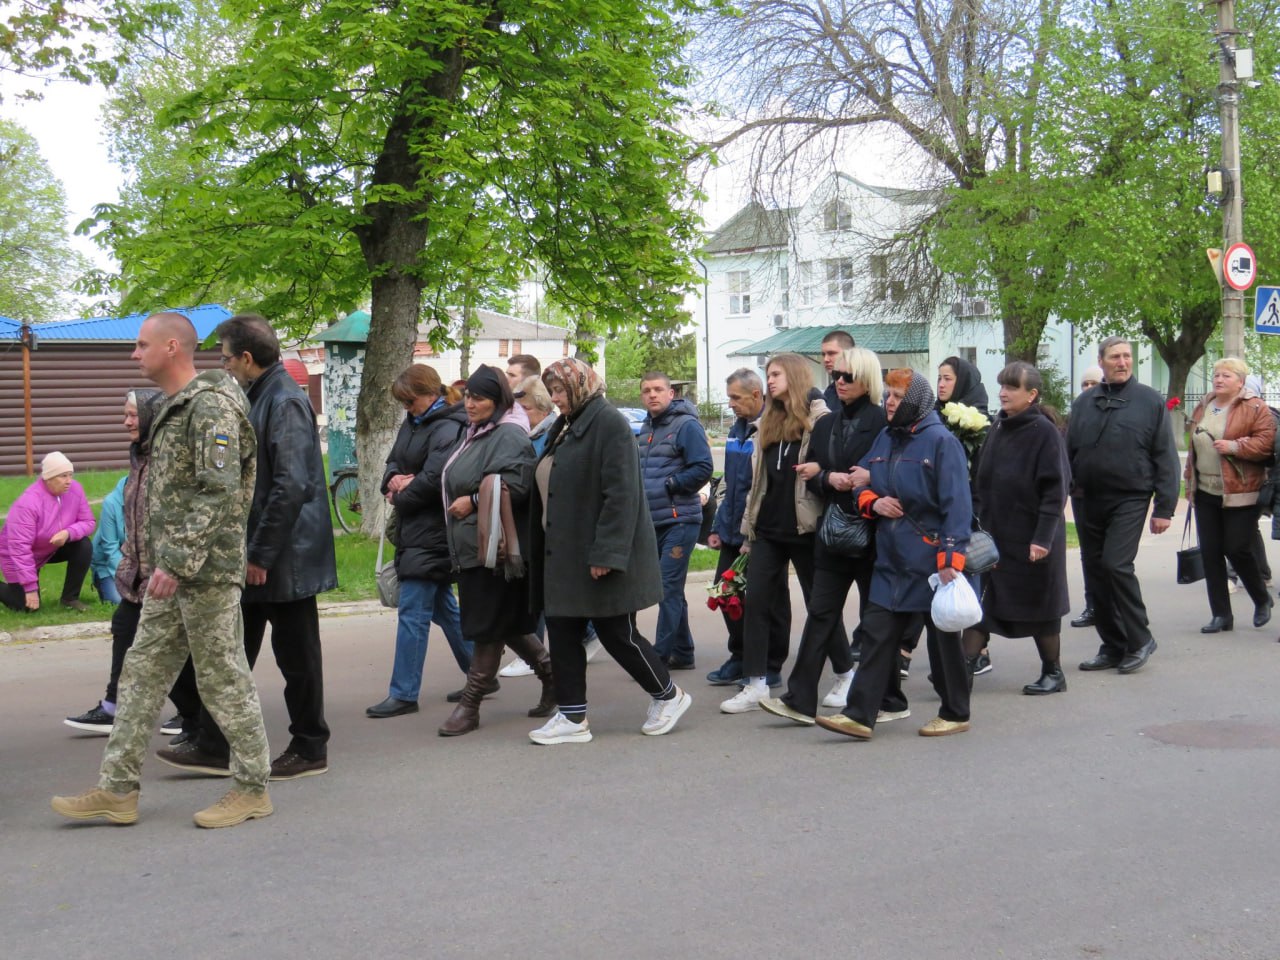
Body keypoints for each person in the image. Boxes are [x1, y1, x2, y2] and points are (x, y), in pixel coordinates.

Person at [52, 311, 273, 828]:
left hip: (205, 572)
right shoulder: (176, 408)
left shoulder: (212, 407)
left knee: (223, 679)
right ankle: (117, 790)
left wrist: (175, 561)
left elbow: (217, 492)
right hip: (169, 572)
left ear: (172, 347)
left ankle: (252, 787)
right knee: (140, 676)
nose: (134, 354)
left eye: (141, 344)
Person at [157, 315, 338, 781]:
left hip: (284, 559)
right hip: (260, 553)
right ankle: (216, 744)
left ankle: (310, 747)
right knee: (230, 653)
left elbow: (291, 485)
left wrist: (260, 553)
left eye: (225, 357)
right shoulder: (257, 395)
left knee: (297, 659)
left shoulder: (284, 401)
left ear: (247, 359)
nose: (222, 365)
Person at [526, 358, 691, 743]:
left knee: (617, 632)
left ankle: (669, 695)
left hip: (598, 554)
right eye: (551, 391)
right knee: (563, 630)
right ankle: (572, 717)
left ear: (581, 385)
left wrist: (608, 554)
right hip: (564, 552)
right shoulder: (567, 426)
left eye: (561, 390)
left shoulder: (608, 424)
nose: (555, 398)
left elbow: (621, 496)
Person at [815, 369, 974, 740]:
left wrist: (951, 557)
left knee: (943, 639)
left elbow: (957, 504)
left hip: (930, 559)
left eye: (898, 397)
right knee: (876, 634)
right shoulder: (887, 438)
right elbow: (858, 482)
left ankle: (955, 711)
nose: (888, 402)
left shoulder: (940, 442)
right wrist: (873, 501)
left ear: (916, 402)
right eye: (887, 395)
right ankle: (859, 714)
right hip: (890, 557)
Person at [760, 347, 887, 724]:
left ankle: (886, 698)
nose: (840, 382)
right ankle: (800, 698)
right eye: (837, 376)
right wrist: (827, 477)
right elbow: (810, 474)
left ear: (867, 379)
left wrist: (852, 477)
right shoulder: (828, 424)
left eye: (849, 376)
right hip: (833, 531)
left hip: (872, 532)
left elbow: (887, 471)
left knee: (875, 618)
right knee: (820, 613)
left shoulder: (881, 422)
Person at [64, 390, 199, 737]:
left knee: (165, 646)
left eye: (131, 415)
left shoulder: (169, 457)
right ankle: (116, 706)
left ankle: (195, 715)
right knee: (128, 629)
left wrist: (173, 565)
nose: (125, 421)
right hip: (138, 574)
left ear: (152, 417)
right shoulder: (139, 456)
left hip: (169, 573)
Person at [437, 365, 554, 736]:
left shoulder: (508, 433)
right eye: (468, 396)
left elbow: (518, 484)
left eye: (479, 397)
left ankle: (469, 705)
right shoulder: (478, 432)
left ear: (498, 400)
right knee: (506, 623)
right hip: (474, 544)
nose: (470, 403)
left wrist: (473, 499)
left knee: (488, 627)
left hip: (495, 548)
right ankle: (554, 678)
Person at [720, 353, 828, 713]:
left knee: (820, 604)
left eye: (776, 374)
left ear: (795, 376)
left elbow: (830, 467)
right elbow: (758, 482)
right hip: (767, 530)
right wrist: (748, 532)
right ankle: (756, 684)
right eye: (768, 374)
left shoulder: (818, 419)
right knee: (756, 604)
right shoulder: (768, 422)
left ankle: (844, 673)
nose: (770, 380)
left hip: (804, 528)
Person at [365, 364, 475, 718]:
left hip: (436, 534)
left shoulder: (449, 426)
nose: (406, 408)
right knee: (444, 609)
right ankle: (480, 674)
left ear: (430, 394)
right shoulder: (415, 422)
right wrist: (394, 479)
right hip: (416, 533)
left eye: (410, 401)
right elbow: (393, 461)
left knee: (413, 613)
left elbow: (435, 480)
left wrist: (399, 495)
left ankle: (404, 693)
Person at [1068, 336, 1179, 675]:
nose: (1122, 362)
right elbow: (1069, 450)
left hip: (1130, 497)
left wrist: (1164, 507)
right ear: (1101, 361)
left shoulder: (1149, 402)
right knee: (1096, 573)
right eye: (1114, 357)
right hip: (1088, 499)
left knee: (1116, 565)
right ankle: (1113, 645)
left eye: (1127, 356)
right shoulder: (1085, 403)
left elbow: (1165, 456)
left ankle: (1140, 638)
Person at [963, 362, 1072, 695]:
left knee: (1040, 608)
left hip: (1033, 538)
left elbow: (1056, 489)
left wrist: (1042, 538)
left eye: (1011, 387)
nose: (1003, 393)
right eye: (1002, 386)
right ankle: (961, 671)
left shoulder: (1044, 432)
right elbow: (983, 476)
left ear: (1032, 395)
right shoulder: (998, 425)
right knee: (983, 606)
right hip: (997, 536)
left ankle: (1053, 673)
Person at [499, 374, 604, 678]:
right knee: (555, 610)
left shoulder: (565, 431)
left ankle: (666, 693)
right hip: (546, 529)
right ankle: (565, 700)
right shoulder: (552, 431)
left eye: (526, 410)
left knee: (616, 631)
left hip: (568, 533)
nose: (521, 416)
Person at [1183, 358, 1275, 634]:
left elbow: (1265, 443)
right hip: (1207, 490)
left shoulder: (1256, 408)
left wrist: (1236, 445)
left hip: (1241, 491)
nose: (1219, 379)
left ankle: (1261, 598)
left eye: (1226, 375)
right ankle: (1221, 615)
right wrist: (1190, 482)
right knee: (1211, 553)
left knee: (1237, 548)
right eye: (1216, 375)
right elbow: (1194, 447)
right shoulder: (1204, 405)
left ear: (1240, 381)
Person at [638, 370, 714, 669]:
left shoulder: (686, 425)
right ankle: (683, 652)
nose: (652, 395)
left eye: (658, 389)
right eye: (647, 390)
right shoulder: (646, 427)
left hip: (680, 519)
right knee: (671, 588)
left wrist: (672, 485)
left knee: (667, 588)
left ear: (671, 394)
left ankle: (658, 657)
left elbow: (704, 467)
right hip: (655, 520)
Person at [704, 368, 765, 686]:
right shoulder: (735, 430)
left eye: (735, 398)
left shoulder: (768, 429)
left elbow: (763, 487)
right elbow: (728, 481)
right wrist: (716, 525)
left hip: (755, 532)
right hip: (729, 529)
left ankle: (766, 664)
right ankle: (740, 656)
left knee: (761, 602)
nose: (731, 404)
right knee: (725, 594)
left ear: (756, 395)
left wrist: (750, 535)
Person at [1, 451, 96, 613]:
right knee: (27, 608)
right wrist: (30, 588)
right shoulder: (28, 503)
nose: (69, 481)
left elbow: (89, 522)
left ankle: (70, 598)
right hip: (18, 555)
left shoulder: (75, 490)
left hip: (50, 548)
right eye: (63, 476)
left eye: (70, 475)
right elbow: (20, 548)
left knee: (83, 545)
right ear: (48, 478)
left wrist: (68, 533)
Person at [1070, 364, 1105, 628]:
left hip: (1110, 495)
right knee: (1088, 554)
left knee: (1113, 558)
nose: (1089, 389)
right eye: (1085, 384)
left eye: (1094, 384)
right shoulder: (1077, 415)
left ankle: (1114, 605)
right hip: (1082, 494)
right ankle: (1093, 605)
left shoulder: (1110, 413)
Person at [91, 477, 126, 605]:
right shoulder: (111, 503)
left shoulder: (152, 501)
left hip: (138, 565)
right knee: (121, 602)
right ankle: (100, 581)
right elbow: (110, 549)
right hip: (107, 564)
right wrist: (129, 579)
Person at [819, 329, 855, 410]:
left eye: (831, 353)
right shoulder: (830, 391)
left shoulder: (860, 390)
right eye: (823, 354)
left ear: (849, 353)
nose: (826, 359)